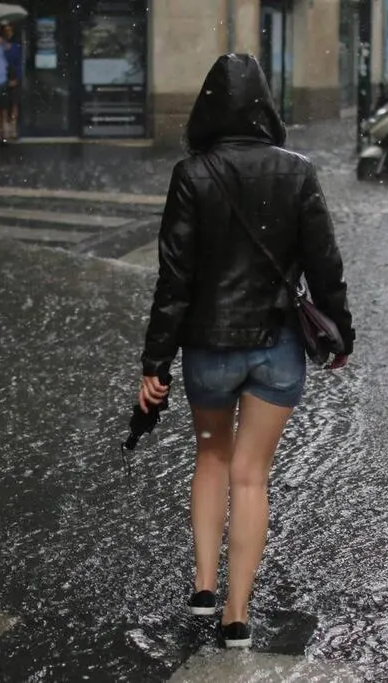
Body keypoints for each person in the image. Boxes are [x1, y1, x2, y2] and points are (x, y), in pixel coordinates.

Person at [137, 54, 354, 649]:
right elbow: (324, 264)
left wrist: (154, 363)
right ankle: (237, 614)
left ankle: (203, 586)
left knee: (211, 459)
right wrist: (341, 332)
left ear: (208, 107)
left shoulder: (192, 173)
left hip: (209, 348)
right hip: (277, 347)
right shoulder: (298, 172)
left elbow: (173, 280)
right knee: (250, 477)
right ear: (265, 107)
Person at [2, 22, 22, 141]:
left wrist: (17, 79)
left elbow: (18, 63)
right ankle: (6, 129)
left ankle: (13, 128)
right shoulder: (0, 45)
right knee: (4, 105)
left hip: (14, 75)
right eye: (6, 31)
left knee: (14, 104)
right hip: (2, 75)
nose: (8, 33)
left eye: (10, 31)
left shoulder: (16, 46)